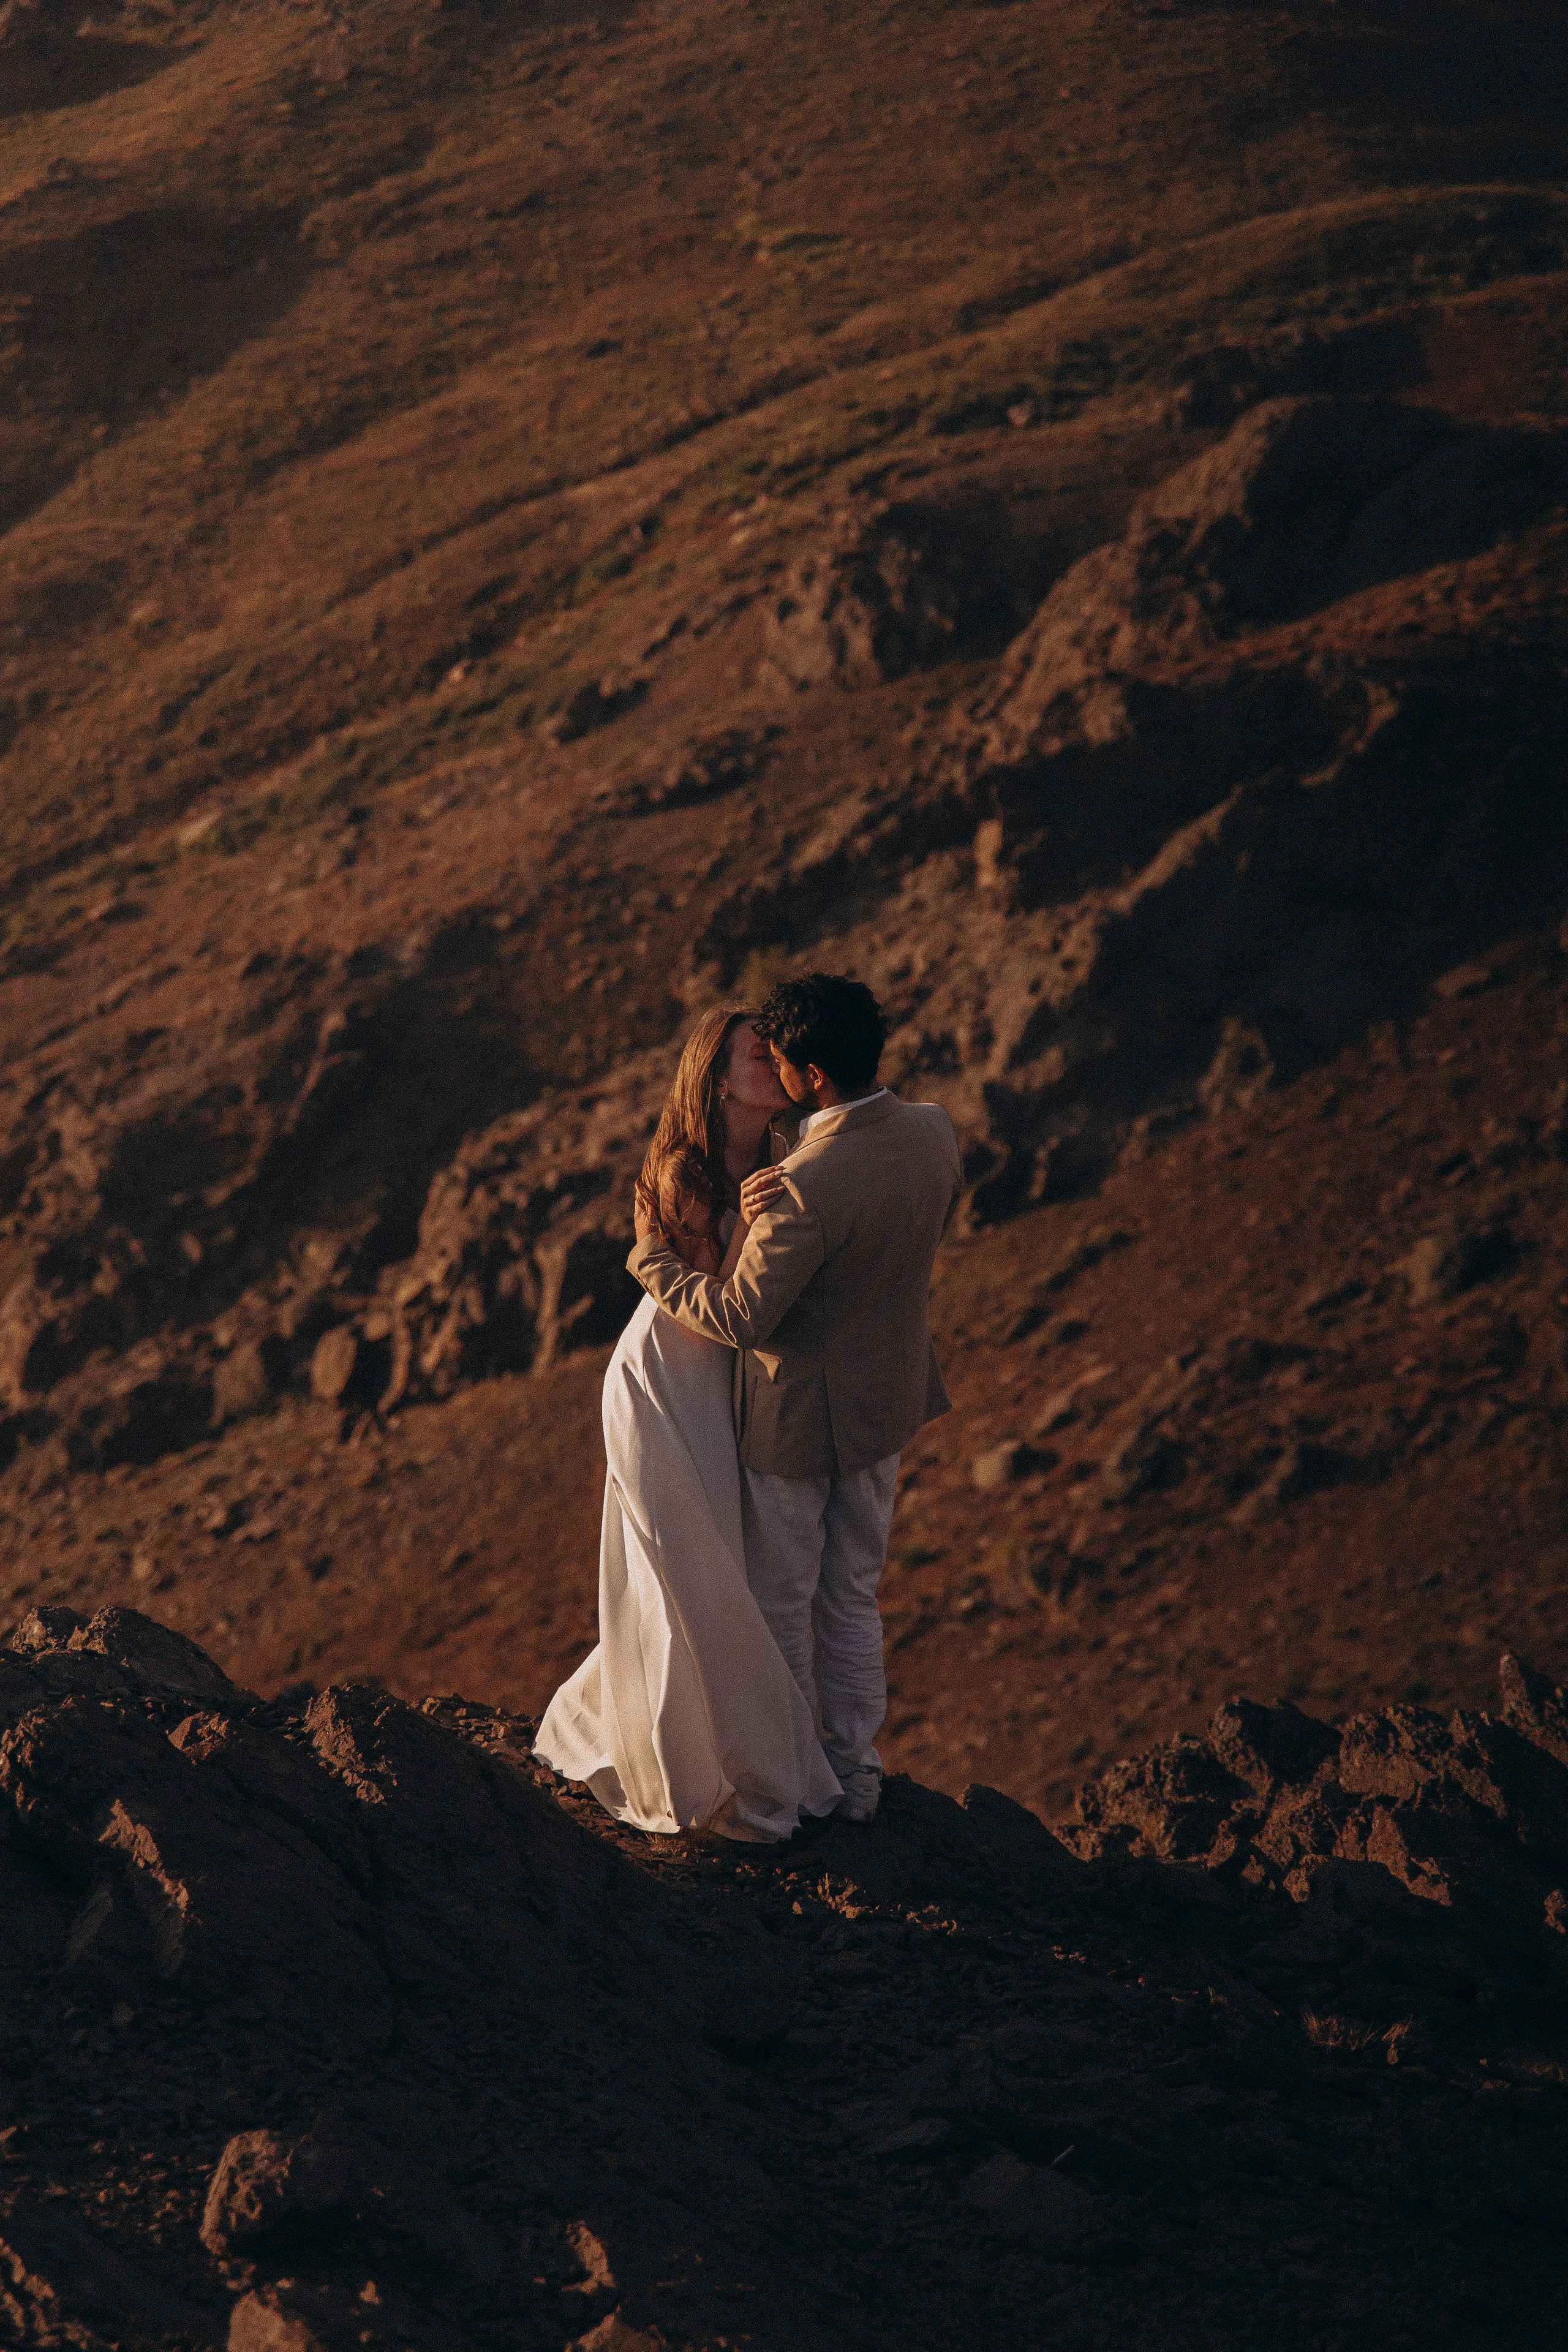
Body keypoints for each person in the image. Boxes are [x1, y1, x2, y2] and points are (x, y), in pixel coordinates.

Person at [627, 973, 962, 1823]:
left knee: (784, 1603)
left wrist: (650, 1261)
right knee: (851, 1594)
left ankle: (795, 1783)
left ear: (812, 1074)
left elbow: (739, 1316)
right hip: (887, 1404)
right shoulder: (933, 1131)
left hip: (800, 1423)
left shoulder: (804, 1184)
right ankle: (854, 1780)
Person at [533, 1007, 843, 1841]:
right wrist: (745, 1221)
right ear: (716, 1078)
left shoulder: (783, 1151)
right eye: (757, 1053)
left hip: (724, 1387)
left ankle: (667, 1734)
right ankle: (712, 1771)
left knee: (716, 1572)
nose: (775, 1063)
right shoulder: (687, 1171)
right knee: (690, 1572)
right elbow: (715, 1307)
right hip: (666, 1380)